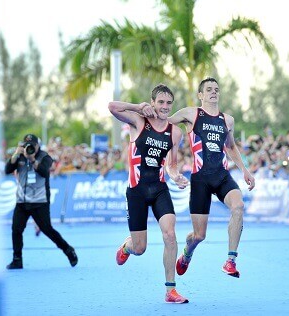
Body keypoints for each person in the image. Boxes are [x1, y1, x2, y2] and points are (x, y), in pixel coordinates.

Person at [108, 84, 190, 304]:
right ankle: (127, 246)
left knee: (170, 234)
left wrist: (176, 176)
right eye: (160, 102)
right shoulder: (139, 121)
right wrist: (137, 106)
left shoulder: (175, 132)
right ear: (152, 103)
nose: (164, 107)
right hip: (136, 191)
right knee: (140, 247)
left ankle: (170, 290)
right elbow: (112, 107)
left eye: (168, 103)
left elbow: (172, 165)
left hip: (159, 189)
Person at [168, 77, 255, 278]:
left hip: (222, 176)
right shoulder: (190, 113)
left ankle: (230, 261)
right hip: (200, 180)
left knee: (238, 207)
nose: (213, 92)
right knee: (199, 235)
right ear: (201, 95)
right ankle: (187, 254)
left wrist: (245, 170)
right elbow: (164, 122)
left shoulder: (228, 120)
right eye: (209, 89)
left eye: (216, 89)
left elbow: (231, 146)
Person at [5, 134, 78, 269]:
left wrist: (32, 159)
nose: (29, 148)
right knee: (16, 229)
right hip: (22, 201)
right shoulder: (20, 156)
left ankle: (68, 250)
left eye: (32, 145)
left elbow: (44, 172)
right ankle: (17, 259)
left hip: (39, 201)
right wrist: (16, 154)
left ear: (38, 145)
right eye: (27, 145)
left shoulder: (45, 157)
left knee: (47, 230)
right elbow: (7, 170)